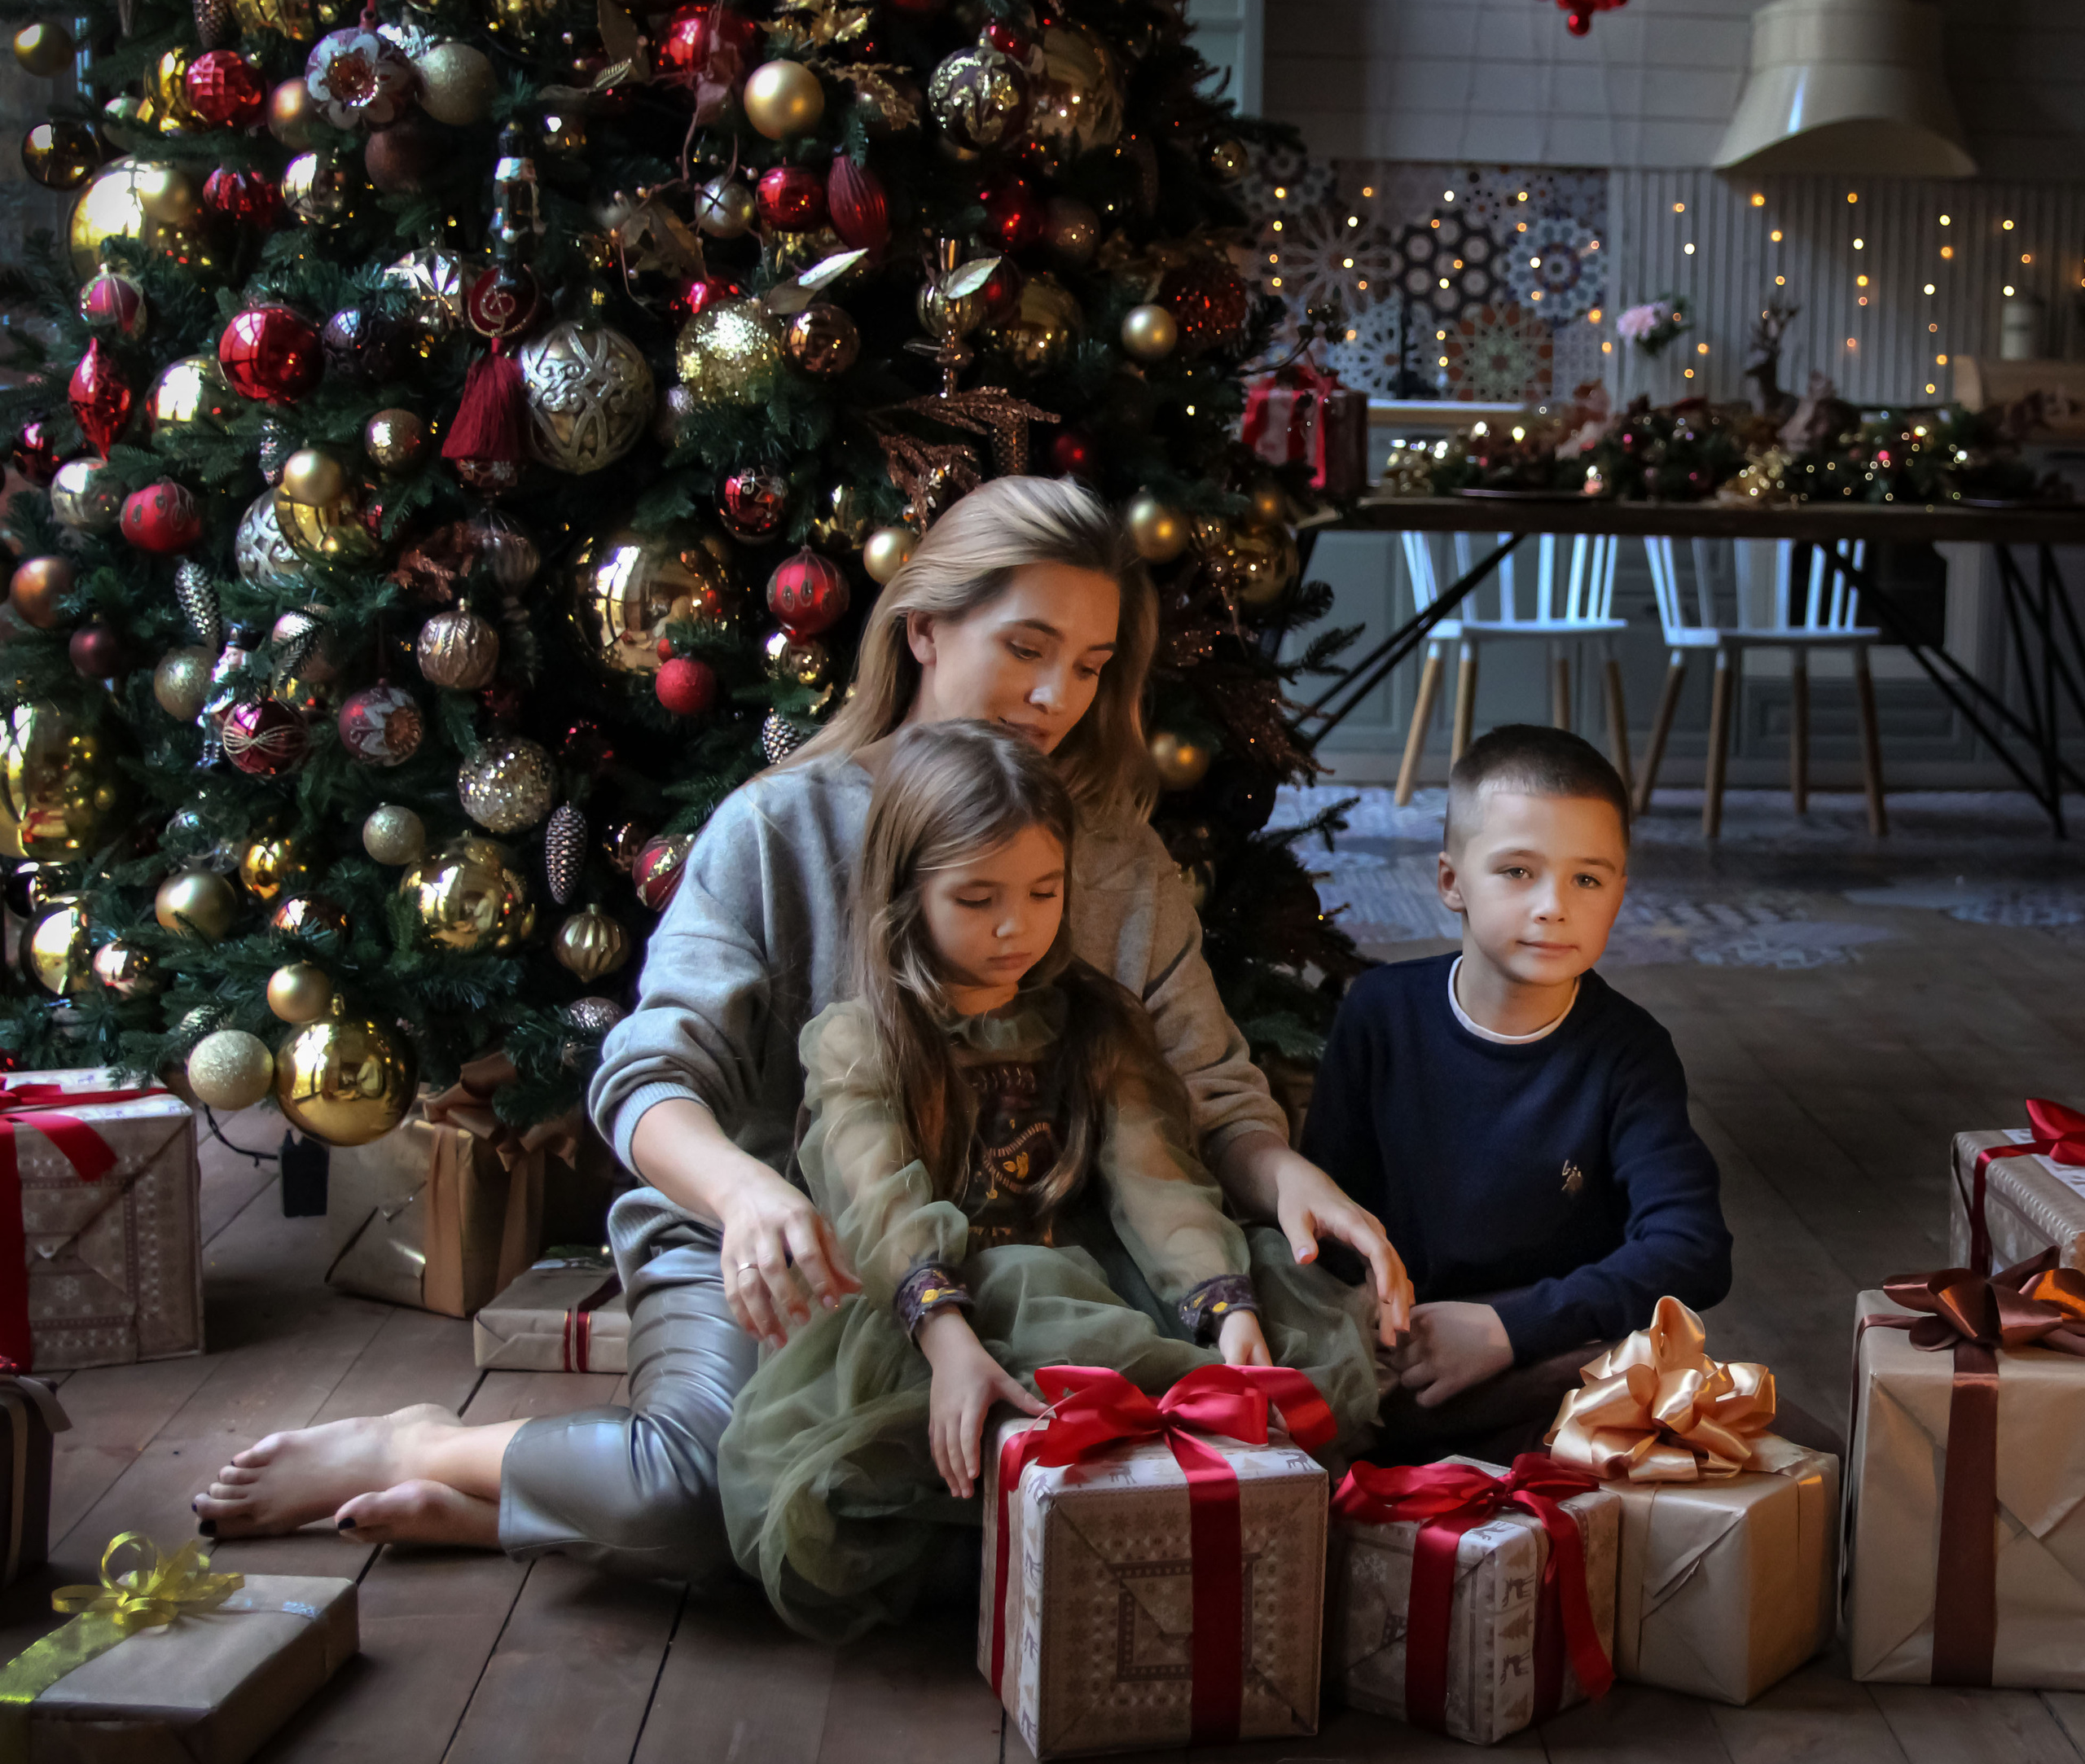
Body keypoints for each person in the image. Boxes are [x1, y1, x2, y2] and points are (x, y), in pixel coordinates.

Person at [194, 476, 1411, 1570]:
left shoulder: (1115, 860)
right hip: (782, 1237)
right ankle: (442, 1448)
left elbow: (1202, 1088)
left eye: (1090, 666)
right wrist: (747, 1197)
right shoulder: (783, 827)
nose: (1054, 697)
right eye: (1026, 647)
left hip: (1023, 1236)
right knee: (715, 1496)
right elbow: (649, 1077)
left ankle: (540, 1510)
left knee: (1152, 1460)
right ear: (924, 629)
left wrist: (1287, 1173)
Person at [719, 723, 1379, 1642]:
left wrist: (1223, 1307)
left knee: (1275, 1369)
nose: (1013, 926)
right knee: (853, 1486)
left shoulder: (1095, 1021)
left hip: (1089, 1277)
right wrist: (945, 1337)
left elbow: (1155, 1179)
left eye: (1041, 892)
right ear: (907, 892)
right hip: (933, 1305)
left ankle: (1133, 1549)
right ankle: (1016, 1565)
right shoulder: (862, 1039)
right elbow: (878, 1203)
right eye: (976, 898)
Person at [1301, 724, 1733, 1463]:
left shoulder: (1629, 1050)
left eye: (1587, 879)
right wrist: (1387, 1329)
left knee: (1724, 1416)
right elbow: (1329, 1211)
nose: (1552, 906)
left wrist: (1509, 1331)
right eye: (1517, 872)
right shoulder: (1381, 1012)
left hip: (1552, 1358)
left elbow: (1692, 1249)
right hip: (1402, 1358)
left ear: (1619, 894)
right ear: (1451, 883)